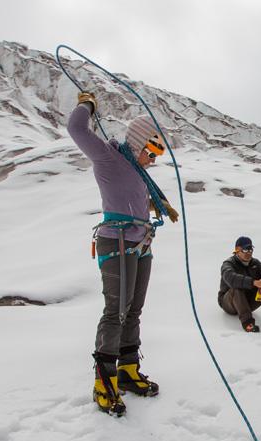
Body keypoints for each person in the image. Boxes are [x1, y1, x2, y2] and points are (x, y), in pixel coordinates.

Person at [67, 91, 178, 416]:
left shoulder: (138, 172)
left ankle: (128, 370)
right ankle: (104, 380)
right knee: (116, 311)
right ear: (139, 141)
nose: (155, 158)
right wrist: (88, 104)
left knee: (133, 311)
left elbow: (132, 198)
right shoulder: (108, 158)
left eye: (159, 151)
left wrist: (157, 205)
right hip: (115, 242)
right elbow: (76, 129)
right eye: (153, 149)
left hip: (140, 245)